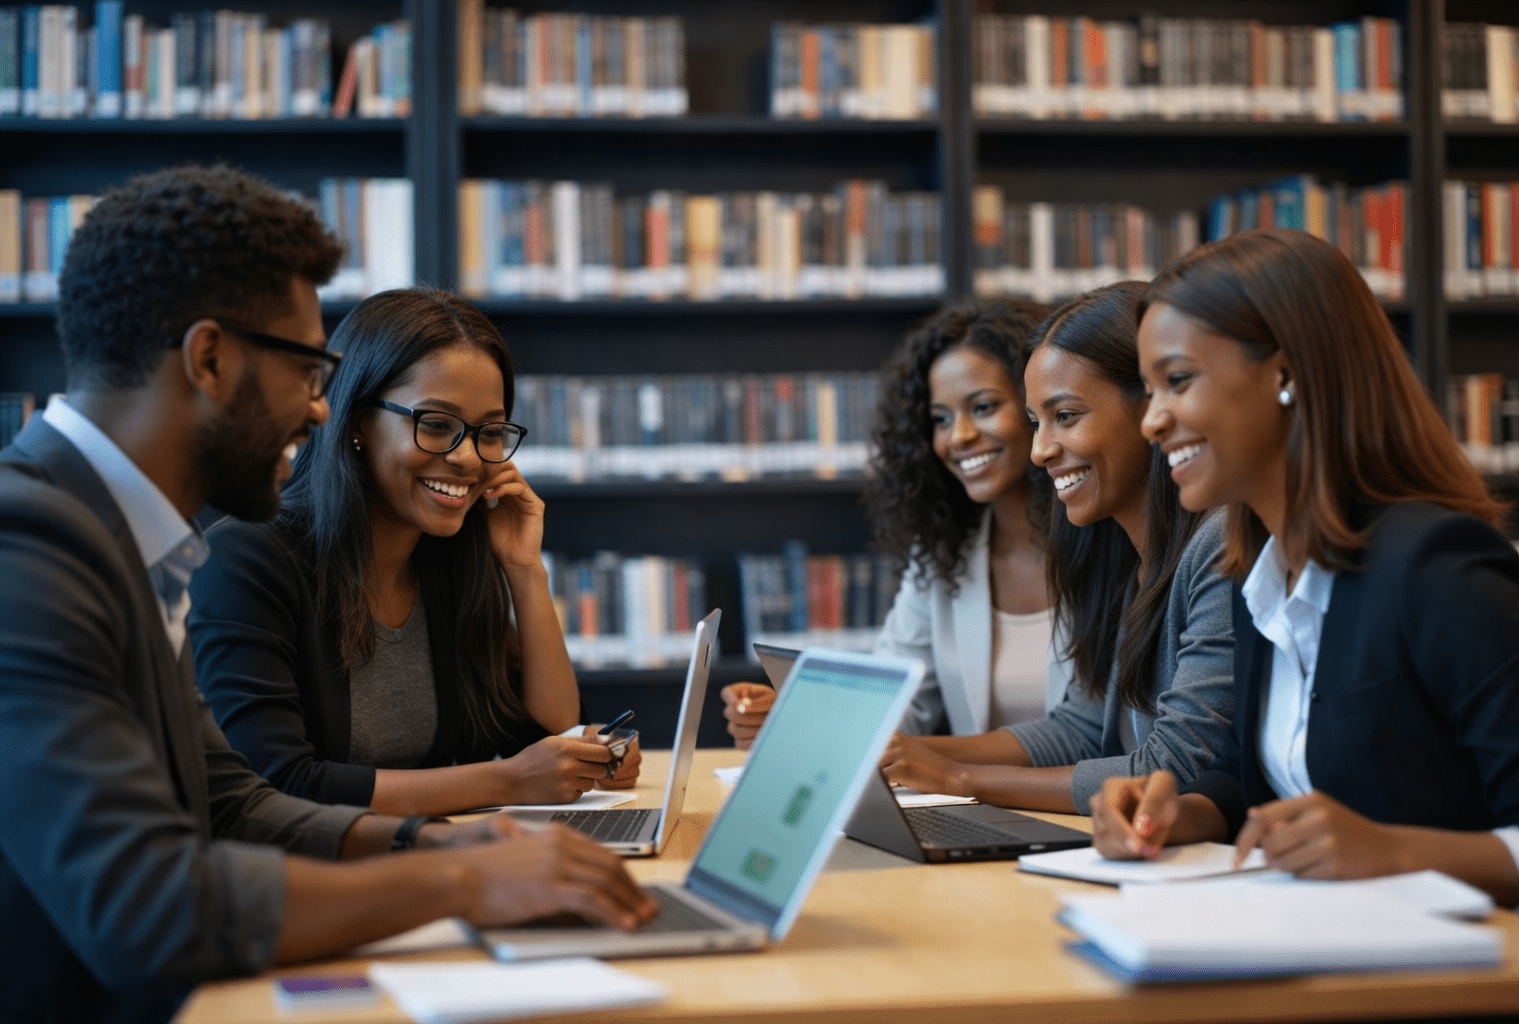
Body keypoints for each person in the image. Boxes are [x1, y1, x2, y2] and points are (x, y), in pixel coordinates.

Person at [0, 164, 654, 1024]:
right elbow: (145, 906)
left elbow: (233, 802)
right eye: (308, 370)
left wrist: (444, 841)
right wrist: (456, 878)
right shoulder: (29, 549)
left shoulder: (128, 539)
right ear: (210, 359)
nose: (317, 410)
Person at [1092, 228, 1519, 908]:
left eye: (1178, 380)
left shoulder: (1438, 568)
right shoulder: (1259, 581)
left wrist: (1395, 852)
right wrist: (1173, 815)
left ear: (1288, 372)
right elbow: (1254, 785)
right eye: (1150, 390)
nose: (1153, 421)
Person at [190, 289, 638, 817]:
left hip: (431, 866)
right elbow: (276, 785)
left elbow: (545, 732)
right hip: (311, 887)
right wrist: (507, 782)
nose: (467, 458)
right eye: (436, 424)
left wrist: (524, 570)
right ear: (357, 421)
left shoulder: (447, 563)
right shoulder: (247, 560)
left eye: (488, 432)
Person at [880, 282, 1235, 815]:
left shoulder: (1216, 544)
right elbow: (1081, 728)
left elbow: (1171, 766)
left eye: (1065, 417)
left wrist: (959, 777)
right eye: (1035, 422)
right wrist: (901, 754)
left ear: (1151, 409)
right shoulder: (1127, 555)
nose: (1041, 451)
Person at [721, 300, 1060, 746]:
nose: (958, 436)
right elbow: (891, 708)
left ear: (1040, 405)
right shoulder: (943, 555)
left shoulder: (1110, 540)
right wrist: (787, 721)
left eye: (983, 407)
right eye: (940, 418)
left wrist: (941, 764)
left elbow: (1092, 735)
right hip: (990, 813)